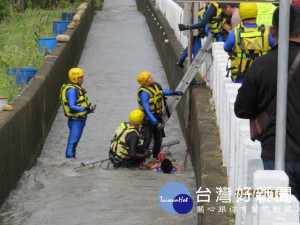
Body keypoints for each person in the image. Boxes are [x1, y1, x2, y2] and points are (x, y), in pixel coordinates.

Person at [234, 5, 300, 200]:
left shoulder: (261, 65)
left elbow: (242, 109)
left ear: (272, 31)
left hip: (275, 153)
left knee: (280, 214)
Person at [223, 2, 276, 83]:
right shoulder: (266, 31)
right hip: (263, 75)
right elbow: (275, 46)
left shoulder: (235, 32)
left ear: (241, 13)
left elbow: (226, 48)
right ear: (256, 13)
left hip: (241, 76)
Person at [137, 71, 183, 159]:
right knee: (147, 140)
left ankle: (155, 158)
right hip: (149, 120)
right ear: (146, 82)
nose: (152, 77)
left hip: (157, 117)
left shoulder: (154, 86)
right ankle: (143, 159)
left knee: (158, 141)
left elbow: (162, 92)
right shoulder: (144, 93)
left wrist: (174, 93)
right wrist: (156, 123)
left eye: (150, 76)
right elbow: (147, 111)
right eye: (149, 77)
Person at [60, 68, 96, 158]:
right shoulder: (72, 91)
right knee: (73, 143)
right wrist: (86, 108)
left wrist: (88, 109)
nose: (82, 79)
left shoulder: (75, 88)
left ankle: (71, 159)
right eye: (80, 78)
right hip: (76, 121)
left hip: (79, 120)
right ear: (75, 79)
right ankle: (70, 161)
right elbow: (72, 106)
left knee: (74, 142)